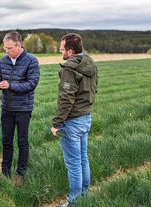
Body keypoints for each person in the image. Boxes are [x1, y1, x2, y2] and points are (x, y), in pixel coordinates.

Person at [51, 33, 98, 207]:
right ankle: (85, 196)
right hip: (86, 117)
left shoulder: (69, 69)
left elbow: (66, 99)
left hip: (72, 121)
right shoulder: (90, 64)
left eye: (62, 49)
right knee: (83, 159)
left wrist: (56, 123)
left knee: (73, 164)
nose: (60, 51)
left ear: (70, 51)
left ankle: (75, 202)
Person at [0, 31, 40, 186]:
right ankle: (5, 172)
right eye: (5, 48)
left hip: (23, 108)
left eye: (9, 48)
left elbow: (31, 84)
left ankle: (20, 174)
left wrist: (11, 85)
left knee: (22, 141)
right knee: (6, 141)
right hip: (6, 107)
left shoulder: (32, 61)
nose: (6, 51)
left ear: (19, 46)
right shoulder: (3, 60)